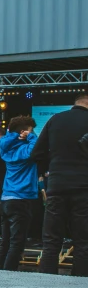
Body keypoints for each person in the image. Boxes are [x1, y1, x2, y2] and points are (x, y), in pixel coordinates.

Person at [31, 93, 88, 276]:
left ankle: (47, 284)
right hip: (84, 187)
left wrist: (53, 165)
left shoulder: (55, 119)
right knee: (83, 241)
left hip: (57, 185)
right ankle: (79, 284)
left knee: (51, 240)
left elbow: (36, 153)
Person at [0, 116, 38, 270]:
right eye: (31, 130)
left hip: (6, 198)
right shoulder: (22, 150)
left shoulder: (5, 147)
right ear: (23, 131)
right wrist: (31, 137)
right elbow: (36, 149)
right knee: (17, 243)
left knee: (5, 241)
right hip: (21, 198)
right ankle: (9, 277)